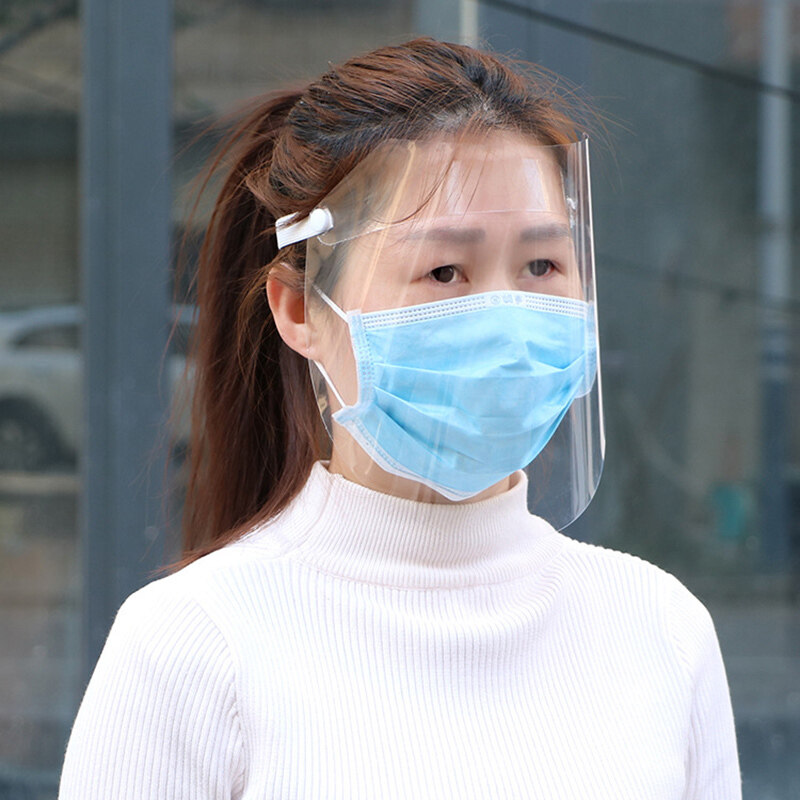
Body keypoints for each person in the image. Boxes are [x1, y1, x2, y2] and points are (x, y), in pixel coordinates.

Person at [58, 38, 741, 799]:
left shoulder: (660, 629)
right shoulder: (193, 644)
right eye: (444, 270)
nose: (505, 319)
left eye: (542, 265)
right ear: (299, 309)